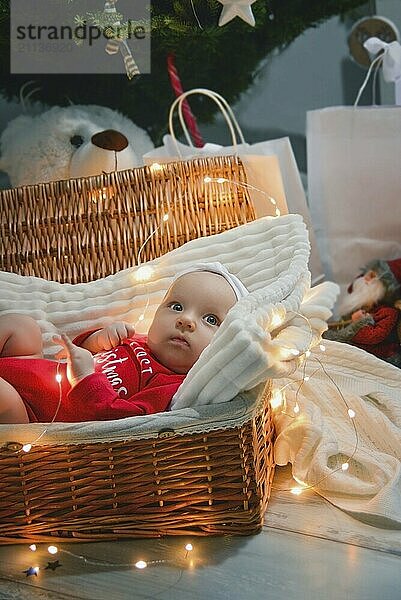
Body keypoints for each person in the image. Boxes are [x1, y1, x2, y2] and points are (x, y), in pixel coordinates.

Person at [0, 263, 248, 424]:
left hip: (31, 413)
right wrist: (98, 340)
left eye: (211, 319)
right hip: (34, 368)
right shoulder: (136, 340)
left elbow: (123, 423)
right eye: (176, 306)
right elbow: (78, 352)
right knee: (23, 327)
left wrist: (85, 377)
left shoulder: (170, 386)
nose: (185, 320)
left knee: (4, 395)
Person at [324, 258, 401, 366]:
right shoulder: (362, 307)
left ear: (385, 288)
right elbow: (342, 325)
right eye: (366, 274)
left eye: (372, 276)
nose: (365, 278)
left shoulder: (388, 313)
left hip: (381, 357)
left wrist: (358, 323)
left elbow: (373, 337)